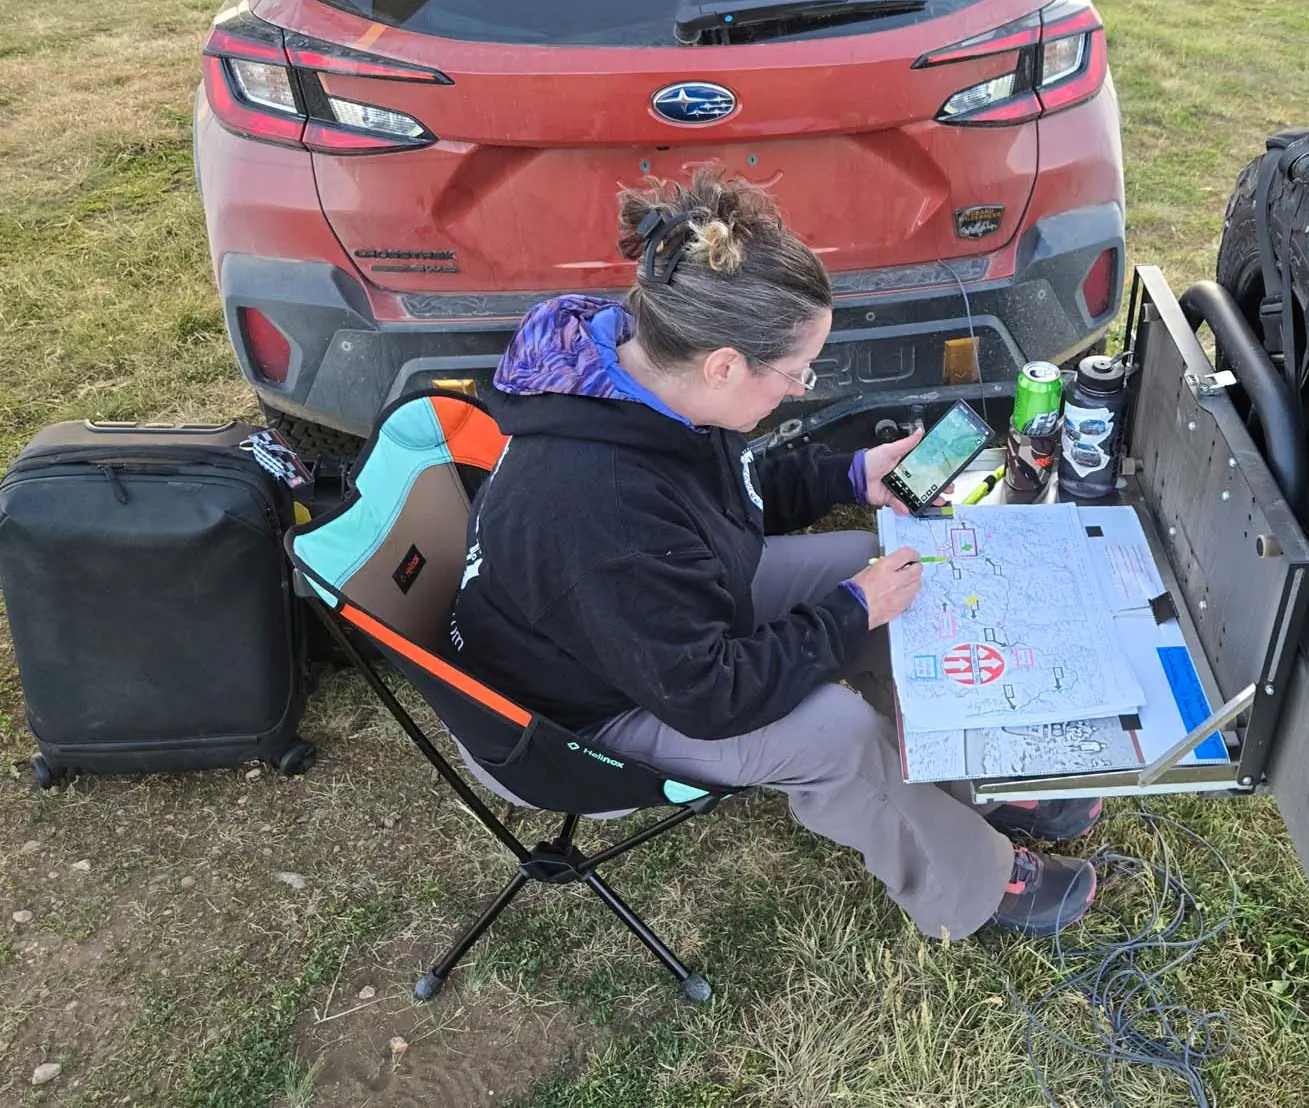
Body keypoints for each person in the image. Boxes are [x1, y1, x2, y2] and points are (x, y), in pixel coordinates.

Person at [447, 170, 1101, 940]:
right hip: (577, 715)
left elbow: (730, 489)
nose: (798, 391)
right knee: (833, 733)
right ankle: (977, 886)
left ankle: (961, 780)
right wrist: (847, 610)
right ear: (725, 363)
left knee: (876, 560)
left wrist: (850, 474)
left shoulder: (648, 373)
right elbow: (710, 697)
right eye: (797, 373)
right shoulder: (602, 506)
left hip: (647, 627)